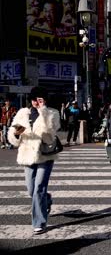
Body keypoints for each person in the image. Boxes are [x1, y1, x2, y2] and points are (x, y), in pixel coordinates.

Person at [7, 87, 60, 235]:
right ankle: (47, 199)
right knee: (31, 190)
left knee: (38, 189)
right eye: (34, 99)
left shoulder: (52, 113)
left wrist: (43, 112)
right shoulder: (22, 113)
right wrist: (16, 135)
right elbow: (12, 136)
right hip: (27, 155)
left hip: (45, 155)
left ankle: (39, 222)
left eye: (39, 99)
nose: (36, 102)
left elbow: (50, 135)